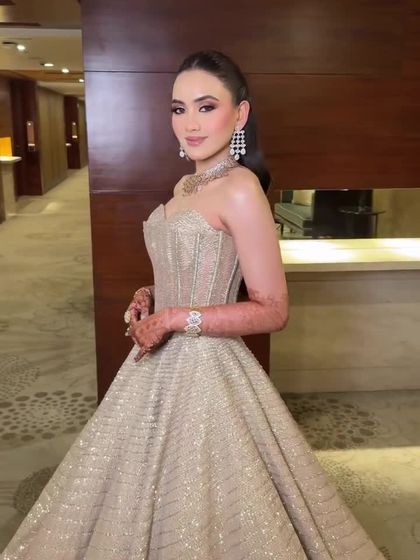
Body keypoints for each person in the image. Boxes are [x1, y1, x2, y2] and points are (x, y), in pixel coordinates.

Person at [1, 50, 384, 560]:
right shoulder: (186, 185)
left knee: (204, 496)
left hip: (208, 368)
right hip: (156, 363)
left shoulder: (241, 190)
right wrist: (152, 295)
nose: (190, 123)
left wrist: (177, 317)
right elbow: (190, 267)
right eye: (179, 109)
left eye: (206, 106)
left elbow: (273, 309)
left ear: (240, 114)